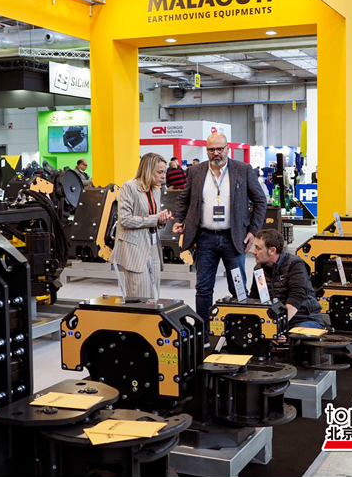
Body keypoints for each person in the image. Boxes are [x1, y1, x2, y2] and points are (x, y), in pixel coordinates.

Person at [173, 132, 267, 347]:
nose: (216, 153)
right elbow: (183, 199)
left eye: (220, 149)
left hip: (234, 238)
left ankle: (240, 335)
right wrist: (179, 219)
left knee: (238, 288)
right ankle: (203, 335)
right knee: (203, 289)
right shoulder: (196, 171)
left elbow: (260, 201)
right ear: (206, 150)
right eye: (211, 149)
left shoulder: (243, 170)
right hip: (204, 238)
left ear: (227, 149)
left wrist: (253, 230)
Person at [109, 153, 173, 300]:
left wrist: (161, 220)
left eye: (164, 172)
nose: (163, 176)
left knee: (154, 296)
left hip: (153, 246)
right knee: (139, 297)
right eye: (160, 172)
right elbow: (125, 220)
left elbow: (153, 218)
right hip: (135, 248)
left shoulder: (156, 189)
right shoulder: (129, 187)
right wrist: (155, 219)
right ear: (148, 170)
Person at [249, 229, 325, 337]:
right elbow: (254, 299)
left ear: (272, 250)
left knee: (295, 339)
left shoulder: (295, 265)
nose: (253, 251)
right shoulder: (259, 269)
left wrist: (276, 329)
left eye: (258, 248)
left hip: (304, 319)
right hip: (276, 321)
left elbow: (295, 300)